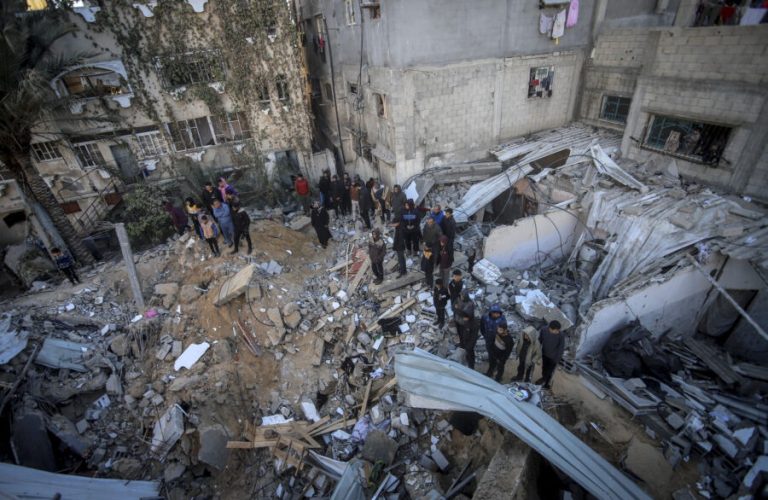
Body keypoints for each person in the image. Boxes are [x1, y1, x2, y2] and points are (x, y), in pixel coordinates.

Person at [536, 321, 565, 389]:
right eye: (556, 330)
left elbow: (561, 348)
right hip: (544, 354)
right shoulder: (543, 330)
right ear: (550, 328)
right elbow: (540, 340)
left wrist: (557, 360)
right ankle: (543, 378)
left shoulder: (561, 335)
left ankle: (546, 384)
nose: (558, 332)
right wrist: (536, 350)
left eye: (558, 330)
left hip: (553, 357)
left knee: (550, 372)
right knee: (544, 368)